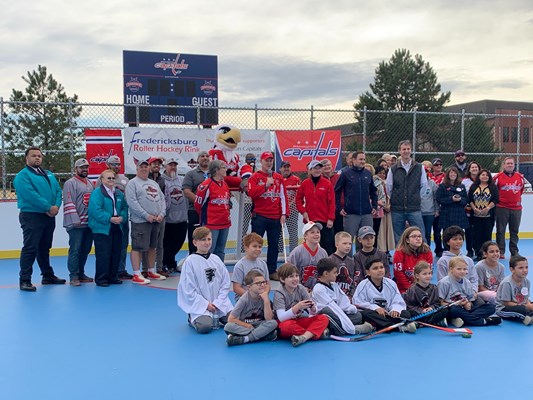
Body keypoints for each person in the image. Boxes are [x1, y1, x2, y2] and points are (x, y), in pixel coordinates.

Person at [14, 146, 66, 291]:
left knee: (44, 247)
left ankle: (47, 276)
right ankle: (25, 280)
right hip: (32, 216)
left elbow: (57, 191)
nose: (37, 158)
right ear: (27, 158)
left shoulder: (48, 174)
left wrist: (56, 206)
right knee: (30, 248)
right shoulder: (22, 176)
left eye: (39, 156)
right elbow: (30, 195)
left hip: (48, 216)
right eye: (34, 155)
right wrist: (48, 207)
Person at [177, 227, 233, 334]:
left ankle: (219, 316)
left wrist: (218, 302)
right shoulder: (190, 262)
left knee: (234, 321)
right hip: (200, 305)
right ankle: (192, 318)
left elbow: (225, 283)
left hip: (219, 304)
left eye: (209, 239)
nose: (207, 242)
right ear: (195, 242)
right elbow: (188, 289)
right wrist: (206, 304)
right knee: (205, 327)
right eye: (203, 240)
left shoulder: (216, 259)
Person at [124, 159, 167, 284]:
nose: (144, 169)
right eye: (141, 167)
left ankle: (151, 270)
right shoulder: (132, 183)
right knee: (138, 247)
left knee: (153, 246)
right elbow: (132, 202)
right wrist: (146, 215)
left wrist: (162, 214)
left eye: (146, 167)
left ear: (149, 169)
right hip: (140, 221)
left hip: (156, 220)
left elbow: (162, 199)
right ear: (137, 169)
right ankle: (136, 273)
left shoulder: (153, 183)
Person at [248, 151, 289, 280]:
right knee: (255, 243)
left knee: (274, 244)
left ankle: (271, 270)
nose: (269, 162)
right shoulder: (255, 177)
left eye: (271, 160)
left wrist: (284, 213)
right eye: (267, 160)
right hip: (260, 216)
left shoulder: (278, 177)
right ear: (261, 161)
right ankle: (252, 269)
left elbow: (283, 196)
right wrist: (265, 186)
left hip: (275, 216)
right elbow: (251, 193)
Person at [311, 258, 373, 336]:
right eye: (334, 272)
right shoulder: (319, 289)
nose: (337, 274)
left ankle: (330, 330)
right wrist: (349, 326)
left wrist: (350, 309)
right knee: (326, 311)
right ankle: (352, 330)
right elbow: (333, 308)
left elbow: (343, 302)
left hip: (337, 315)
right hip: (325, 316)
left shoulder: (334, 285)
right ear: (326, 273)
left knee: (358, 316)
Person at [353, 257, 416, 333]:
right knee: (366, 314)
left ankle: (375, 326)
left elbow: (398, 300)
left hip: (388, 314)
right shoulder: (363, 285)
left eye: (381, 267)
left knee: (406, 314)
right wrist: (375, 308)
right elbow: (357, 302)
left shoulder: (391, 283)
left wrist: (395, 309)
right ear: (368, 272)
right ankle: (397, 327)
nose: (379, 270)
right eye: (375, 268)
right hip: (374, 314)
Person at [273, 263, 330, 347]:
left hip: (299, 320)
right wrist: (297, 307)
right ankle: (315, 333)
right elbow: (281, 318)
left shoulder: (301, 288)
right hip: (286, 322)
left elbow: (312, 312)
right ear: (282, 279)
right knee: (286, 326)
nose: (295, 279)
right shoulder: (279, 293)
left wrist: (313, 308)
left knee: (323, 318)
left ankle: (304, 337)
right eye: (291, 276)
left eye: (297, 276)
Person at [88, 169, 128, 287]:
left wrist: (122, 217)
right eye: (108, 178)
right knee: (103, 254)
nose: (111, 180)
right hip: (102, 228)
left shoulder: (119, 193)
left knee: (116, 253)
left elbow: (124, 208)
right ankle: (102, 278)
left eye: (113, 178)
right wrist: (110, 218)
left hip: (117, 226)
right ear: (102, 180)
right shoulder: (97, 193)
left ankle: (113, 277)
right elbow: (96, 210)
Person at [438, 256, 500, 327]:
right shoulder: (444, 283)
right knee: (454, 310)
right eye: (459, 269)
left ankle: (462, 320)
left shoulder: (467, 282)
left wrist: (468, 303)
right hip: (452, 308)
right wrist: (457, 304)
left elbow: (470, 299)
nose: (462, 271)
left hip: (465, 309)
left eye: (464, 269)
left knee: (491, 307)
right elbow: (440, 303)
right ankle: (483, 321)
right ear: (451, 269)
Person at [386, 140, 427, 243]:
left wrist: (416, 198)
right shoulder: (393, 169)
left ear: (411, 150)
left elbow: (424, 185)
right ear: (399, 151)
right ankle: (401, 254)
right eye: (404, 149)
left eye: (408, 149)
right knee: (398, 238)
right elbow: (389, 187)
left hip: (414, 208)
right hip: (397, 209)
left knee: (420, 235)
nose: (406, 151)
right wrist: (396, 198)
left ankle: (422, 253)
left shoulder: (419, 167)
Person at [334, 151, 378, 248]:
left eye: (364, 159)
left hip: (366, 213)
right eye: (360, 159)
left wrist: (374, 206)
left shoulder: (368, 173)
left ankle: (363, 258)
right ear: (353, 160)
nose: (363, 161)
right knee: (348, 241)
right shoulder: (346, 174)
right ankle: (348, 258)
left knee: (365, 241)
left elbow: (373, 191)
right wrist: (339, 208)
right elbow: (337, 191)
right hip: (351, 214)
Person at [224, 270, 278, 346]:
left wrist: (266, 300)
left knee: (273, 323)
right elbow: (231, 319)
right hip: (245, 325)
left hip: (259, 324)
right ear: (249, 287)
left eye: (264, 282)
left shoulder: (264, 297)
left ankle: (245, 339)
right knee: (228, 327)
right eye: (258, 283)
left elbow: (269, 319)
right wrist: (247, 326)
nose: (262, 285)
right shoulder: (244, 299)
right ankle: (262, 335)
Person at [62, 158, 94, 286]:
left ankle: (81, 273)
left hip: (88, 223)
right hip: (76, 224)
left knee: (85, 249)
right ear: (76, 169)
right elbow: (68, 201)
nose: (84, 169)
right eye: (81, 167)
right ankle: (73, 275)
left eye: (86, 167)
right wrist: (74, 219)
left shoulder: (90, 183)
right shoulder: (70, 183)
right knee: (75, 249)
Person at [102, 155, 132, 280]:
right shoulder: (102, 179)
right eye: (114, 164)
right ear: (107, 165)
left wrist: (123, 216)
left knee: (123, 245)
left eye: (118, 164)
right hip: (109, 220)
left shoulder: (125, 180)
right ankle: (109, 271)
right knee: (109, 247)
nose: (116, 166)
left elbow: (128, 199)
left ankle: (121, 269)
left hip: (122, 219)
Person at [194, 160, 231, 262]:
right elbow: (198, 204)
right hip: (211, 223)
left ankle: (219, 269)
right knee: (209, 250)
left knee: (221, 251)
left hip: (225, 222)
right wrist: (206, 218)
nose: (226, 169)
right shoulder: (206, 185)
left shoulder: (224, 184)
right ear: (216, 170)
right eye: (223, 167)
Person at [296, 160, 335, 255]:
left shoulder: (327, 183)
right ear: (310, 170)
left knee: (328, 245)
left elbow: (332, 202)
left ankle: (328, 264)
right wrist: (303, 211)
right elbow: (298, 200)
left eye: (319, 168)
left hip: (324, 220)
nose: (317, 170)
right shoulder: (305, 183)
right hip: (310, 220)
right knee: (310, 245)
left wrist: (330, 218)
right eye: (315, 168)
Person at [161, 158, 188, 273]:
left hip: (182, 218)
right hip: (167, 219)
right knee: (166, 244)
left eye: (174, 165)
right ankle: (165, 264)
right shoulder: (161, 180)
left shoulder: (182, 179)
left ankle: (170, 263)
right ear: (165, 167)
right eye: (170, 165)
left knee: (178, 243)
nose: (173, 167)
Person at [494, 156, 525, 258]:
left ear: (514, 165)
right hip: (501, 207)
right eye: (508, 163)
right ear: (504, 165)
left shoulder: (520, 177)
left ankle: (514, 251)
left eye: (511, 163)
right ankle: (500, 251)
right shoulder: (498, 177)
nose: (510, 165)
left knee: (514, 231)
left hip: (516, 208)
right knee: (500, 230)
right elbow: (494, 191)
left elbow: (520, 190)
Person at [141, 156, 166, 277]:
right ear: (149, 166)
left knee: (159, 244)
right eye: (154, 163)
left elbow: (163, 198)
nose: (156, 165)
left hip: (160, 216)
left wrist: (162, 213)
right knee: (146, 244)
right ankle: (145, 269)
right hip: (148, 217)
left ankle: (159, 267)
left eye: (158, 164)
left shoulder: (162, 180)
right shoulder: (145, 179)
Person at [403, 261, 449, 326]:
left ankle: (422, 323)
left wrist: (431, 308)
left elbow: (437, 303)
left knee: (445, 310)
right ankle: (432, 321)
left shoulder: (434, 288)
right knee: (410, 313)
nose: (428, 276)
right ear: (417, 276)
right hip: (419, 313)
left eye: (429, 273)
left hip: (431, 312)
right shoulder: (412, 290)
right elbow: (409, 306)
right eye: (424, 274)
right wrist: (421, 310)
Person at [183, 151, 210, 255]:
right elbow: (186, 192)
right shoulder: (191, 174)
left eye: (207, 156)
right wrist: (200, 203)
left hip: (211, 213)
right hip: (195, 211)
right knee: (195, 238)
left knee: (209, 238)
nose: (205, 158)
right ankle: (194, 260)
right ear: (198, 159)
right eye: (202, 156)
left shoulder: (214, 174)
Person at [468, 169, 499, 260]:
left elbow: (496, 199)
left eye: (486, 175)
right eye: (482, 175)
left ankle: (487, 254)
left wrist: (488, 208)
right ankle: (478, 254)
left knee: (487, 235)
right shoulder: (474, 186)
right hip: (476, 216)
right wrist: (474, 209)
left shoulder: (493, 187)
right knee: (476, 236)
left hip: (488, 216)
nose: (485, 176)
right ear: (479, 176)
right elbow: (470, 199)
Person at [288, 221, 328, 290]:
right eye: (312, 232)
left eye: (318, 232)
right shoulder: (297, 252)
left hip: (318, 290)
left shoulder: (323, 253)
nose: (316, 234)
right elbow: (288, 273)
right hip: (298, 289)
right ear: (305, 236)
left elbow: (326, 274)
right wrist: (301, 288)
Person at [393, 226, 433, 294]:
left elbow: (428, 272)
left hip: (423, 286)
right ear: (407, 240)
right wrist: (411, 289)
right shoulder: (399, 253)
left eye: (419, 236)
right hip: (403, 288)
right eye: (414, 236)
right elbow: (398, 274)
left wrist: (421, 288)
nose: (418, 239)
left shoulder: (427, 251)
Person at [436, 226, 478, 290]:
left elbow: (474, 279)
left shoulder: (469, 260)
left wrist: (474, 291)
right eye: (455, 239)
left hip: (469, 293)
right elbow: (441, 281)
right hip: (451, 294)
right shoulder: (443, 261)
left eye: (460, 239)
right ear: (447, 242)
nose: (458, 241)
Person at [232, 233, 270, 303]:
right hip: (245, 299)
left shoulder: (263, 264)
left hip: (260, 298)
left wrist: (265, 294)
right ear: (246, 248)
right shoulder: (240, 265)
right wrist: (252, 296)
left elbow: (267, 284)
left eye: (260, 247)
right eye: (254, 246)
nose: (257, 249)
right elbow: (236, 288)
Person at [496, 255, 533, 325]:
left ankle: (528, 315)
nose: (525, 270)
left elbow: (526, 298)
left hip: (521, 304)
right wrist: (525, 306)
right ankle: (526, 318)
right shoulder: (507, 283)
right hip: (504, 308)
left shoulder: (527, 282)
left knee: (527, 307)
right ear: (512, 269)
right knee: (522, 309)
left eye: (526, 267)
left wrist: (529, 305)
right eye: (521, 268)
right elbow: (506, 303)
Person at [436, 167, 469, 233]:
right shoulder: (442, 186)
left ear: (457, 174)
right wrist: (451, 199)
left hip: (459, 214)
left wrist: (460, 199)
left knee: (459, 233)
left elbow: (466, 200)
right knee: (447, 234)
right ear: (447, 175)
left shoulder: (461, 186)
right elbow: (439, 199)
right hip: (447, 214)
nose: (453, 174)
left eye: (454, 173)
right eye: (451, 173)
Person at [328, 231, 359, 300]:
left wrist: (351, 295)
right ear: (337, 244)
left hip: (349, 297)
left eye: (350, 244)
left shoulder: (352, 262)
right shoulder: (330, 260)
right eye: (344, 243)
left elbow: (354, 281)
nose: (348, 246)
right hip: (333, 297)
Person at [278, 160, 301, 253]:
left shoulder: (296, 179)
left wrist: (288, 205)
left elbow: (298, 195)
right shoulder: (277, 179)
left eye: (288, 167)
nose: (286, 169)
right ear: (280, 168)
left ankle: (293, 252)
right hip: (279, 211)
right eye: (284, 167)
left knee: (293, 232)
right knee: (279, 233)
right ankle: (279, 252)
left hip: (292, 210)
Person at [462, 161, 481, 257]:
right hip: (468, 210)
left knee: (478, 231)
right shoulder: (464, 181)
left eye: (476, 167)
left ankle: (478, 250)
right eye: (472, 167)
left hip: (480, 210)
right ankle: (469, 250)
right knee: (468, 231)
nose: (474, 169)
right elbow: (462, 194)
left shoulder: (483, 180)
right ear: (469, 169)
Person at [240, 153, 257, 249]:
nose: (252, 161)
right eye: (250, 159)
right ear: (246, 160)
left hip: (256, 203)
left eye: (253, 159)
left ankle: (254, 246)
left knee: (255, 225)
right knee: (244, 226)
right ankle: (242, 247)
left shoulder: (258, 171)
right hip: (246, 202)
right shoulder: (244, 170)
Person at [420, 161, 438, 248]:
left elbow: (435, 198)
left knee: (427, 233)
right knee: (418, 233)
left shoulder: (432, 183)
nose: (424, 173)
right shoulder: (414, 183)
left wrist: (437, 210)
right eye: (423, 171)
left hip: (429, 212)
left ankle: (426, 250)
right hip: (417, 212)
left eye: (426, 171)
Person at [430, 158, 445, 257]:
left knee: (438, 231)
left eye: (440, 164)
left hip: (441, 207)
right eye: (436, 165)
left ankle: (439, 249)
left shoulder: (445, 176)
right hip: (429, 206)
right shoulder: (428, 176)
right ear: (433, 166)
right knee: (428, 231)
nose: (439, 166)